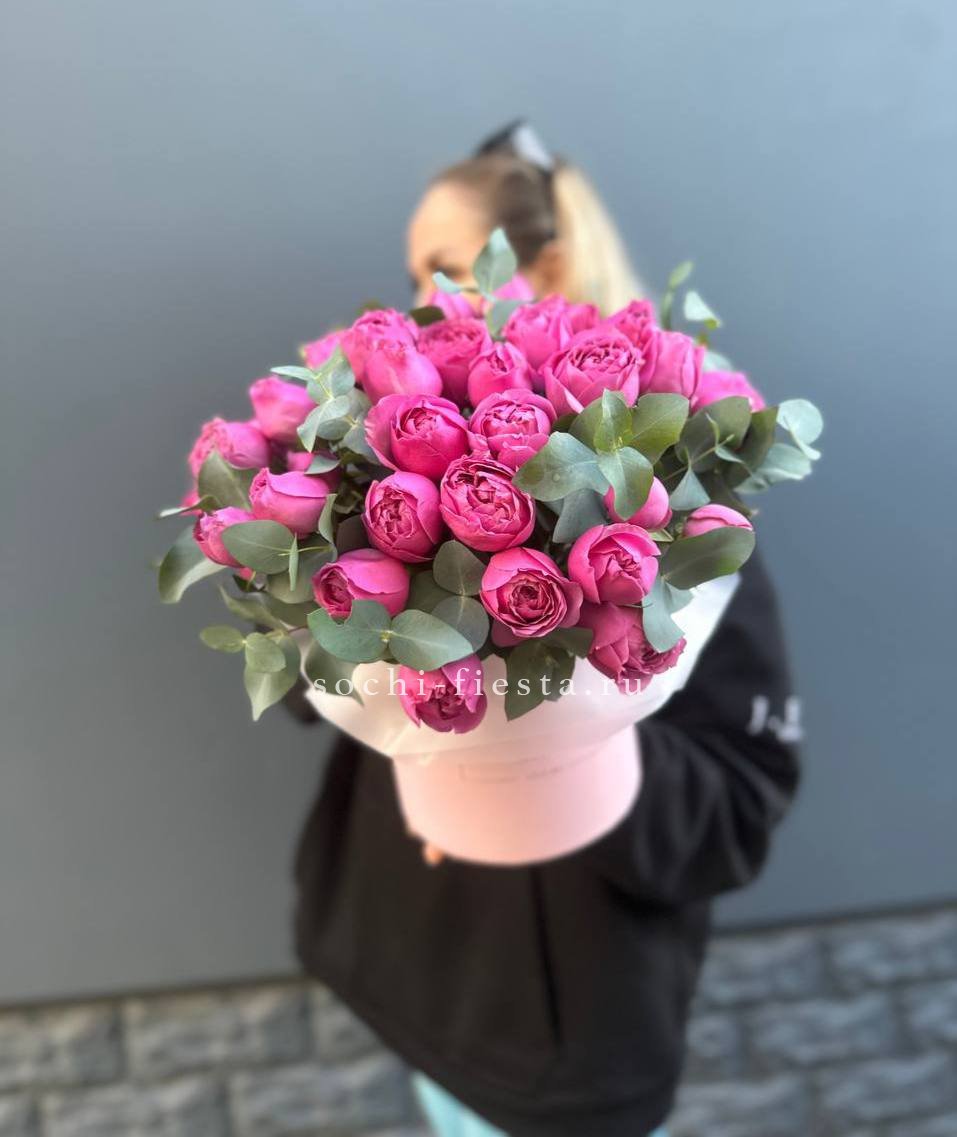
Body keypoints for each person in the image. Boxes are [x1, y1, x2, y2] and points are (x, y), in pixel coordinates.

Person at [291, 123, 801, 1137]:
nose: (419, 303)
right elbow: (326, 694)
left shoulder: (688, 533)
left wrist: (567, 741)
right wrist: (330, 609)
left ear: (550, 270)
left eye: (444, 267)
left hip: (561, 1059)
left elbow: (741, 803)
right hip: (400, 978)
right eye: (412, 274)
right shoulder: (378, 461)